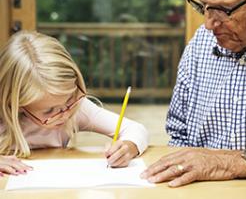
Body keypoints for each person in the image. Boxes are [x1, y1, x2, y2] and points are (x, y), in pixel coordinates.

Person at [141, 0, 246, 187]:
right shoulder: (202, 42)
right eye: (203, 5)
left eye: (223, 9)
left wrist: (234, 162)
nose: (208, 24)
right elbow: (179, 134)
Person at [0, 30, 149, 176]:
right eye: (49, 111)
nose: (64, 115)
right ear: (17, 104)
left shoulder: (77, 108)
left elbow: (136, 129)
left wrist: (129, 147)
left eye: (70, 99)